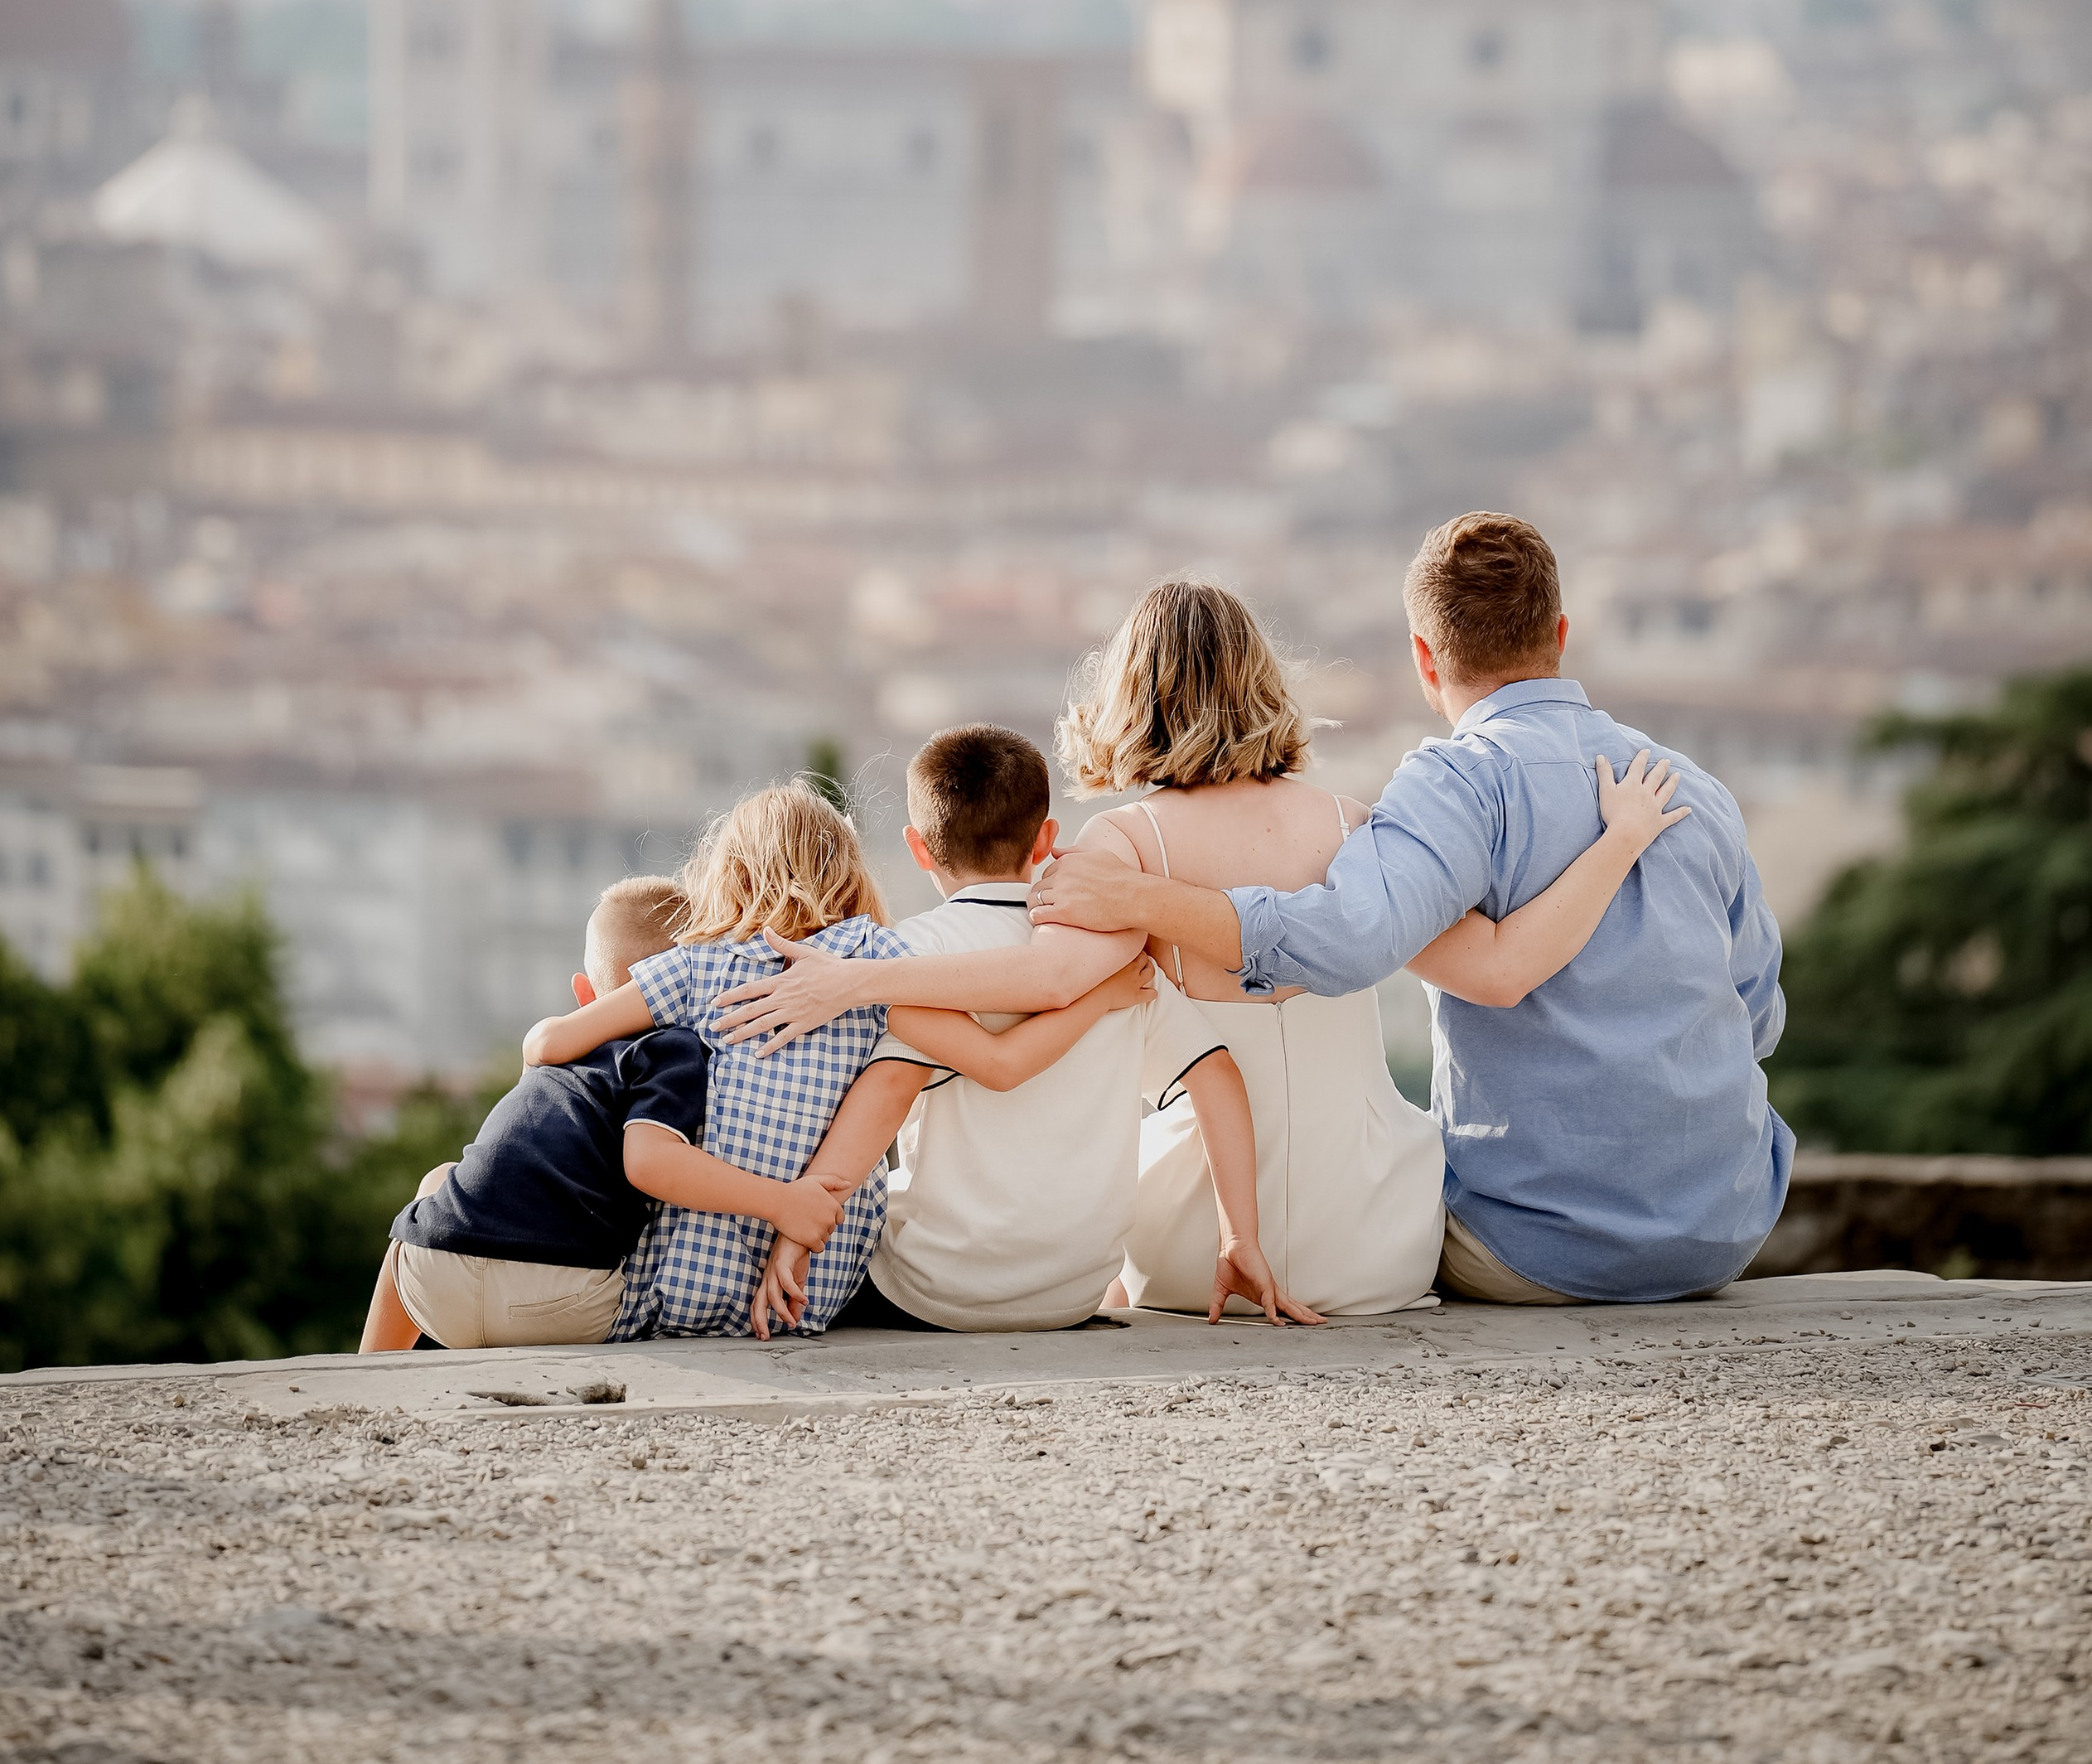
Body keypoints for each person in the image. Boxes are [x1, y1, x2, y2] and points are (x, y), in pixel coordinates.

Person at [717, 592, 1693, 1322]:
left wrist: (858, 979)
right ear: (1265, 683)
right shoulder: (1360, 825)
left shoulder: (1124, 847)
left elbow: (1050, 981)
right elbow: (1496, 964)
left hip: (1196, 1253)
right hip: (1375, 1243)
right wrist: (1617, 847)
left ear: (1126, 699)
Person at [1027, 518, 1793, 1305]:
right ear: (1561, 634)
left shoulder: (1451, 789)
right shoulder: (1692, 789)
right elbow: (1757, 1017)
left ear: (1425, 659)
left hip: (1532, 1248)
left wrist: (1140, 898)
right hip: (1721, 1232)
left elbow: (1353, 941)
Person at [519, 778, 1160, 1337]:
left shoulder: (692, 968)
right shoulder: (885, 968)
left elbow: (548, 1046)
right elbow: (999, 1062)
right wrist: (1099, 994)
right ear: (853, 875)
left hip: (681, 1284)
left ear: (732, 879)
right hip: (815, 1291)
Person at [746, 723, 1302, 1340]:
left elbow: (886, 1095)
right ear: (1045, 840)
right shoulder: (1110, 957)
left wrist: (798, 1229)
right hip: (1071, 1289)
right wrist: (1237, 1239)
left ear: (919, 848)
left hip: (938, 1291)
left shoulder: (911, 956)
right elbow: (1216, 1075)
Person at [358, 873, 810, 1353]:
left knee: (436, 1185)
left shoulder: (559, 1053)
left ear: (584, 993)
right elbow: (653, 1163)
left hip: (437, 1281)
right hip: (561, 1299)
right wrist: (782, 1202)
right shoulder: (670, 1050)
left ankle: (371, 1368)